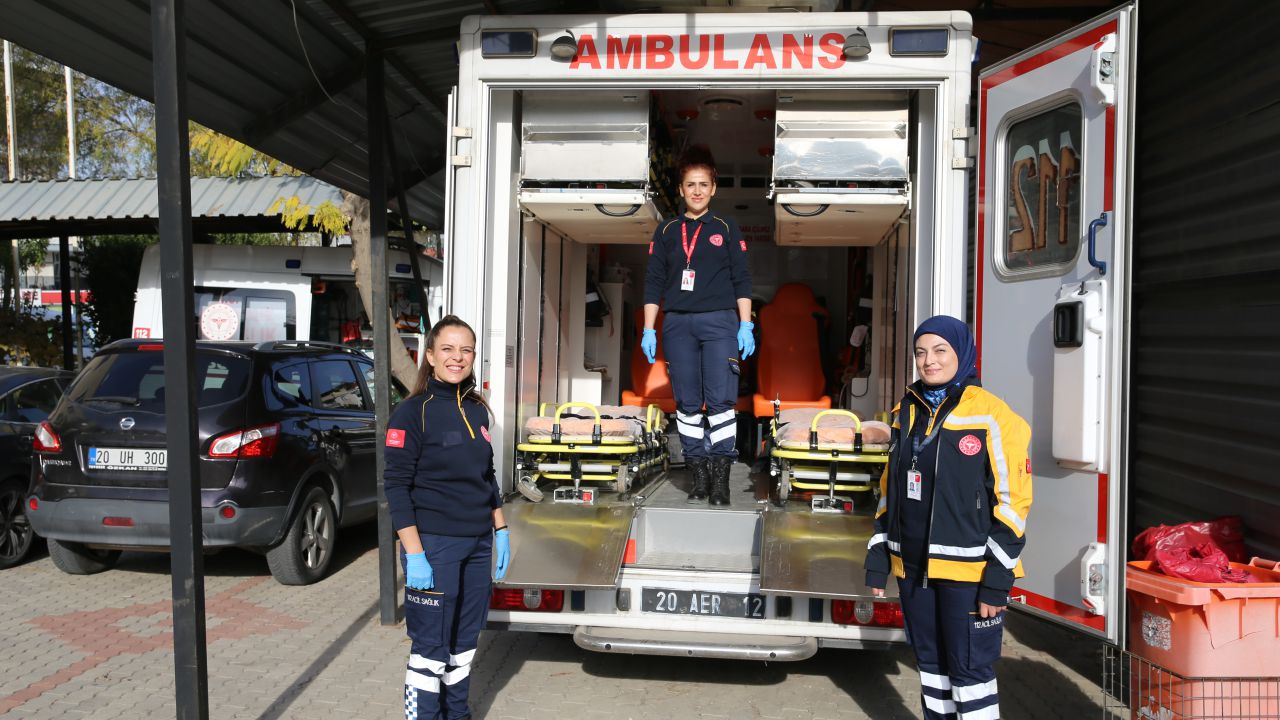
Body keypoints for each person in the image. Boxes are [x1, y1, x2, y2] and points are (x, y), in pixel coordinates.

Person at [864, 315, 1032, 720]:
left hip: (969, 575)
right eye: (921, 352)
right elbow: (890, 489)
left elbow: (1014, 504)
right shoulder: (904, 411)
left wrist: (997, 581)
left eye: (940, 351)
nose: (929, 361)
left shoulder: (994, 416)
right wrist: (879, 557)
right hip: (914, 569)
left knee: (969, 671)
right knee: (932, 669)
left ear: (962, 354)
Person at [384, 315, 511, 720]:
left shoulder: (476, 410)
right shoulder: (411, 413)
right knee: (430, 650)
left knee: (464, 644)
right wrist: (414, 553)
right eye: (448, 349)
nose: (458, 357)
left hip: (477, 543)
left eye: (466, 349)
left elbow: (486, 475)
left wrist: (501, 526)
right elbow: (396, 488)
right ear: (430, 356)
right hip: (434, 546)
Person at [641, 145, 755, 506]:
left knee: (721, 402)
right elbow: (653, 284)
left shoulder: (725, 227)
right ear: (680, 189)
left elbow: (742, 280)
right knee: (688, 403)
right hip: (677, 325)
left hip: (720, 322)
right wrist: (649, 328)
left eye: (703, 184)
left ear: (714, 188)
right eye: (690, 184)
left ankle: (721, 477)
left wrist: (745, 324)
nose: (697, 191)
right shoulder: (667, 230)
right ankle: (699, 474)